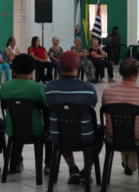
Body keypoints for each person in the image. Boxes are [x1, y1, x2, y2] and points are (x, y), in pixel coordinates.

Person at [46, 51, 102, 184]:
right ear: (77, 67)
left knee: (63, 126)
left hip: (58, 136)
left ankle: (73, 168)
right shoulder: (89, 88)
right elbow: (92, 105)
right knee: (100, 131)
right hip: (85, 136)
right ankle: (87, 168)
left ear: (59, 67)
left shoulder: (49, 88)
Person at [0, 54, 52, 175]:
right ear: (32, 69)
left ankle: (16, 162)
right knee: (50, 130)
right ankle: (49, 164)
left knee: (18, 124)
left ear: (15, 69)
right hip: (36, 130)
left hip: (13, 129)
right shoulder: (38, 87)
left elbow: (3, 102)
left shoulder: (5, 86)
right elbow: (47, 106)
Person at [101, 58, 139, 175]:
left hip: (114, 136)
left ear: (119, 72)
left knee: (121, 125)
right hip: (138, 139)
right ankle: (131, 164)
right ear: (138, 72)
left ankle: (127, 163)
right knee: (137, 130)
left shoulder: (107, 92)